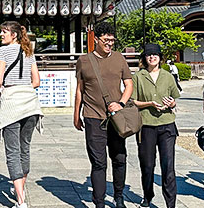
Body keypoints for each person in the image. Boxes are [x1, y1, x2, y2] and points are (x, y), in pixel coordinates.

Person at [73, 21, 133, 208]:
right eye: (106, 40)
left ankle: (119, 196)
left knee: (119, 157)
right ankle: (99, 202)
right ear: (96, 39)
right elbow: (79, 90)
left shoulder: (119, 59)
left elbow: (129, 84)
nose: (109, 44)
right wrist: (76, 114)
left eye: (112, 41)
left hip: (115, 117)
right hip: (92, 116)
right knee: (98, 162)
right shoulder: (84, 60)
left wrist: (121, 103)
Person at [0, 21, 42, 208]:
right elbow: (36, 81)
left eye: (4, 32)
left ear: (13, 35)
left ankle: (21, 201)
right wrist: (25, 88)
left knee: (12, 151)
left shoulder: (3, 51)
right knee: (25, 147)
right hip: (30, 104)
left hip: (12, 104)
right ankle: (20, 184)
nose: (1, 35)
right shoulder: (28, 51)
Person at [132, 43, 180, 208]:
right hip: (146, 126)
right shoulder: (139, 76)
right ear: (144, 58)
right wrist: (149, 104)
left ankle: (170, 203)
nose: (152, 57)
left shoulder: (167, 76)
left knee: (168, 166)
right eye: (148, 55)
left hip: (167, 125)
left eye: (155, 54)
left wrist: (172, 103)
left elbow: (175, 98)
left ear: (160, 57)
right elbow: (133, 101)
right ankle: (147, 196)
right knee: (147, 164)